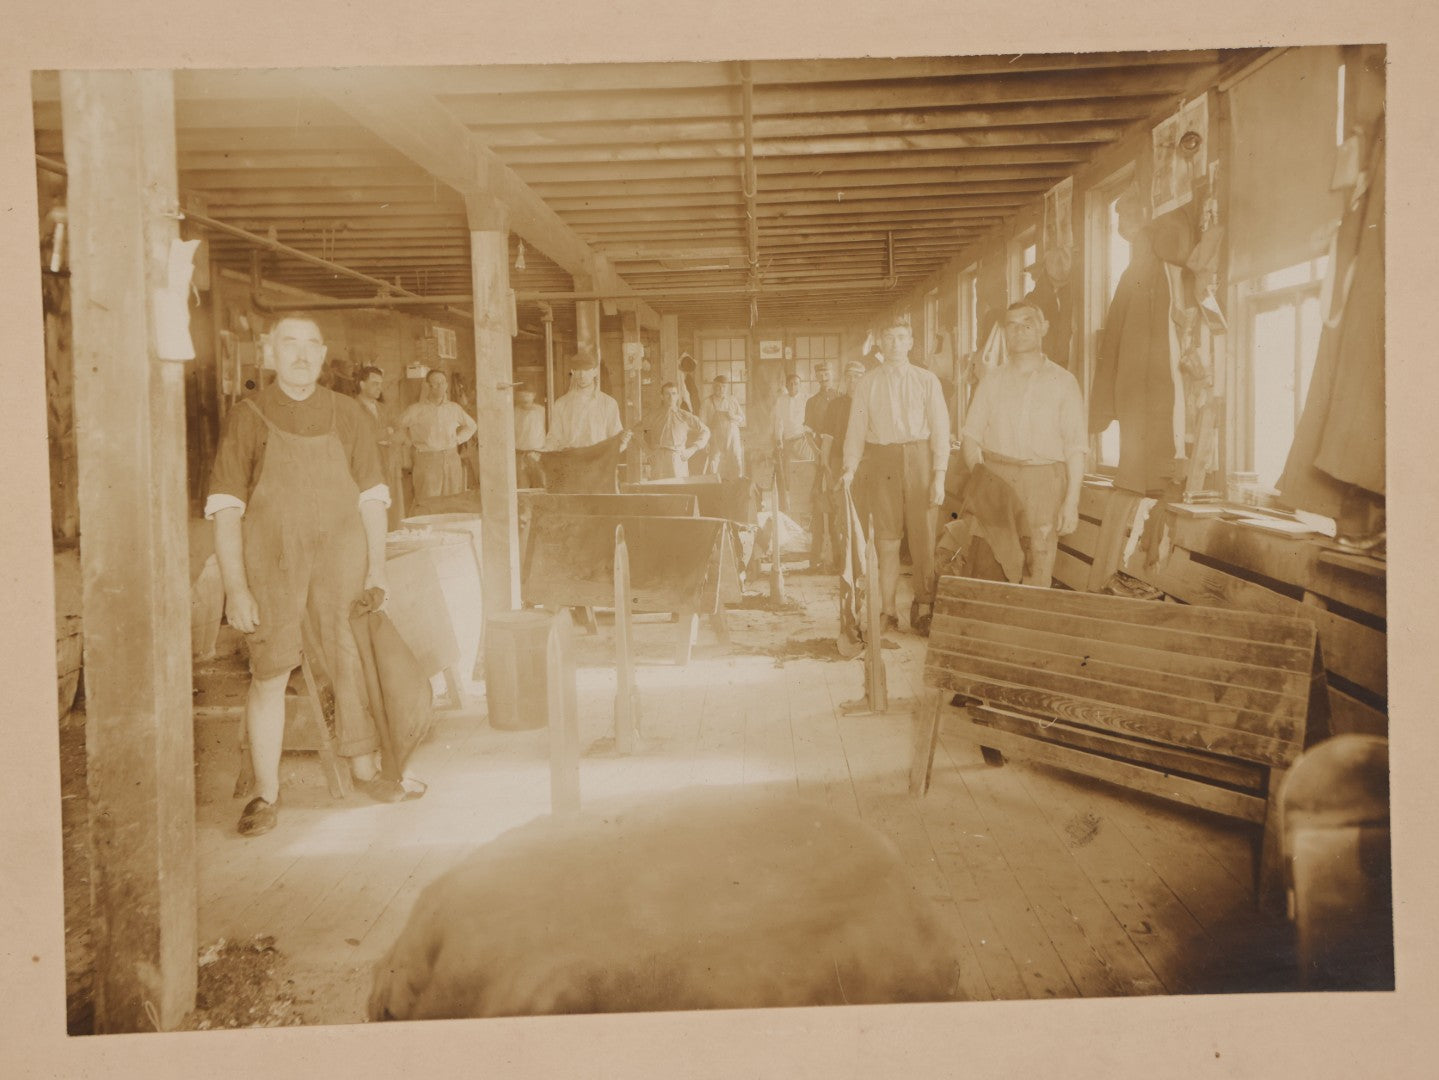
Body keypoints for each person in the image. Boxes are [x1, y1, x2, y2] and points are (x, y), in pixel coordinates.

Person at [207, 315, 395, 837]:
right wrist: (237, 588)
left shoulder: (350, 414)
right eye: (289, 343)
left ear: (323, 354)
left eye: (312, 345)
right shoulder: (248, 416)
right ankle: (266, 795)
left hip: (342, 559)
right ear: (270, 354)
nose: (301, 354)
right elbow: (226, 508)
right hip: (273, 561)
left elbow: (372, 498)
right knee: (270, 671)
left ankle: (366, 770)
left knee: (350, 656)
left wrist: (376, 567)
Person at [962, 299, 1087, 588]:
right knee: (989, 563)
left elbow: (1076, 446)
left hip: (1043, 481)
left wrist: (1071, 501)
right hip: (997, 479)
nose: (1019, 331)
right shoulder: (991, 381)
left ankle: (1028, 631)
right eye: (1012, 325)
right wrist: (982, 478)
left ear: (1043, 328)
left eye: (1027, 324)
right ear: (1005, 332)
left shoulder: (1063, 382)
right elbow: (970, 437)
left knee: (1037, 563)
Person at [841, 314, 951, 635]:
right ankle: (887, 609)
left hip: (920, 459)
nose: (894, 344)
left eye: (901, 337)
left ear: (911, 342)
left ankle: (924, 605)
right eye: (888, 338)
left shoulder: (927, 380)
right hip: (883, 462)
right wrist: (849, 468)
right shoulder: (867, 382)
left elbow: (941, 430)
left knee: (924, 539)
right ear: (880, 343)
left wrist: (940, 474)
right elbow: (856, 429)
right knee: (887, 542)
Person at [812, 359, 866, 570]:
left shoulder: (869, 402)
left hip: (865, 464)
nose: (853, 381)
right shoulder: (836, 405)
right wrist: (825, 464)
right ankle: (844, 561)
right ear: (844, 379)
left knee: (863, 510)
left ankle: (864, 559)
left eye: (857, 376)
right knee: (841, 512)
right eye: (849, 376)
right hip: (838, 462)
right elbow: (827, 438)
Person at [395, 369, 478, 499]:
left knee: (452, 500)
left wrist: (458, 439)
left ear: (447, 385)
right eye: (436, 383)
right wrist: (409, 442)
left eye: (443, 382)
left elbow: (472, 426)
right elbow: (398, 426)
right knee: (428, 501)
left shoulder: (454, 408)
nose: (440, 386)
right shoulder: (416, 409)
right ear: (428, 385)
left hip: (451, 459)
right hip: (427, 461)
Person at [544, 348, 624, 451]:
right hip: (570, 462)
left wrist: (622, 441)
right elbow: (554, 439)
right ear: (572, 372)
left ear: (595, 371)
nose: (582, 375)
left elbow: (617, 441)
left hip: (597, 463)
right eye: (578, 370)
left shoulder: (608, 403)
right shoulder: (561, 404)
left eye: (586, 370)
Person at [355, 364, 405, 525]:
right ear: (362, 385)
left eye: (381, 383)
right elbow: (363, 437)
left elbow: (401, 433)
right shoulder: (352, 408)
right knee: (372, 518)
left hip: (390, 467)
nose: (379, 388)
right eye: (375, 383)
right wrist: (387, 432)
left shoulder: (385, 408)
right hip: (368, 470)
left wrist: (388, 436)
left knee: (394, 517)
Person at [804, 364, 842, 568]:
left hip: (840, 458)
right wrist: (818, 453)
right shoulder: (812, 402)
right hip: (821, 460)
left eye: (827, 374)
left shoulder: (841, 398)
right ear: (816, 378)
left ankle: (840, 557)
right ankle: (817, 557)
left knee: (839, 506)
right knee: (820, 506)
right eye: (820, 376)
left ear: (832, 375)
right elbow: (808, 433)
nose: (824, 378)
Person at [639, 381, 710, 479]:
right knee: (660, 490)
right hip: (659, 458)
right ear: (662, 396)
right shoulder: (653, 416)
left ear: (677, 396)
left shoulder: (685, 415)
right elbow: (635, 432)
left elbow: (705, 431)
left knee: (678, 489)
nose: (671, 397)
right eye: (667, 394)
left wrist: (692, 449)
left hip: (678, 457)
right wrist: (647, 451)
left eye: (674, 394)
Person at [772, 371, 812, 511]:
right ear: (786, 386)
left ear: (800, 385)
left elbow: (811, 420)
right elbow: (779, 421)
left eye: (796, 383)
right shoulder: (781, 400)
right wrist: (778, 439)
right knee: (791, 476)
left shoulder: (806, 399)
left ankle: (808, 508)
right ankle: (794, 508)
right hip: (788, 442)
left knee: (806, 472)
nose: (793, 386)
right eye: (790, 384)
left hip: (804, 440)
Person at [700, 374, 745, 479]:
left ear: (727, 387)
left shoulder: (732, 400)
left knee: (736, 459)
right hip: (715, 436)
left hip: (732, 434)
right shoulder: (707, 402)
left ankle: (737, 485)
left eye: (723, 387)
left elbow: (742, 418)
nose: (721, 389)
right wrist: (705, 441)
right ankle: (714, 486)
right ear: (713, 387)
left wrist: (733, 417)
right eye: (718, 386)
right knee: (714, 461)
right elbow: (702, 424)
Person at [513, 385, 546, 488]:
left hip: (537, 454)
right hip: (519, 454)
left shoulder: (542, 411)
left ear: (534, 395)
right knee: (522, 485)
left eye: (527, 395)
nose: (524, 398)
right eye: (521, 395)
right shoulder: (513, 411)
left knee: (540, 484)